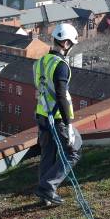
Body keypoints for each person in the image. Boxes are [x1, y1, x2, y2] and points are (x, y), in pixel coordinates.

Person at [34, 23, 82, 206]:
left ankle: (44, 194)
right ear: (67, 43)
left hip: (42, 115)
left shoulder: (41, 62)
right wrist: (69, 124)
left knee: (48, 153)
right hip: (57, 118)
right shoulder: (61, 65)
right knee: (74, 150)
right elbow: (61, 94)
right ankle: (47, 187)